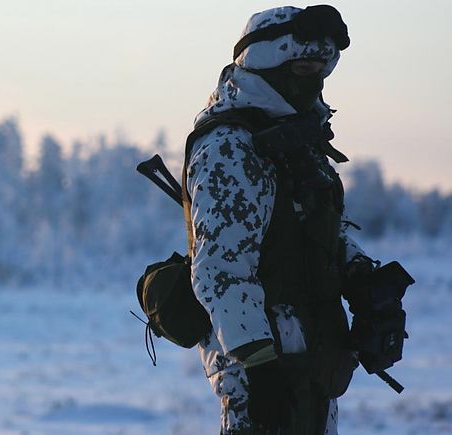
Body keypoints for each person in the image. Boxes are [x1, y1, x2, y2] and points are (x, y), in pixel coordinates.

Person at [183, 5, 376, 434]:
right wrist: (260, 368)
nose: (315, 79)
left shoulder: (297, 139)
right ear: (268, 64)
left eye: (322, 68)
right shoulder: (230, 146)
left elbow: (323, 226)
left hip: (314, 359)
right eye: (304, 66)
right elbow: (221, 271)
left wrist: (365, 281)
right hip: (259, 374)